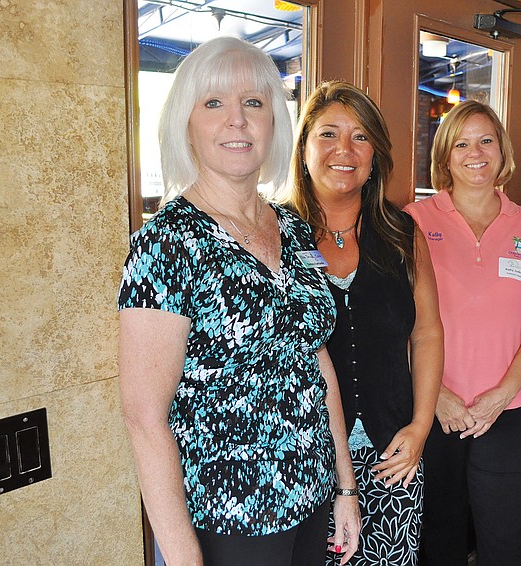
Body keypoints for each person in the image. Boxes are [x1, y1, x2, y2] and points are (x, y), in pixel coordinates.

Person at [117, 37, 360, 566]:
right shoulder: (166, 243)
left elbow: (316, 360)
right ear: (186, 123)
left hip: (313, 495)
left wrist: (345, 486)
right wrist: (183, 557)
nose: (237, 120)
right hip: (228, 518)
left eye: (253, 102)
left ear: (274, 121)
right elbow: (143, 417)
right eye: (213, 104)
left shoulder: (293, 227)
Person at [282, 80, 443, 565]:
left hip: (392, 452)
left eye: (360, 137)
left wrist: (420, 426)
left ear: (376, 155)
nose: (344, 151)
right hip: (303, 456)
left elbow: (428, 332)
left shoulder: (400, 233)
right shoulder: (276, 233)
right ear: (305, 146)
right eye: (329, 135)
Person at [405, 100, 521, 566]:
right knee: (439, 536)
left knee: (505, 540)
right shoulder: (411, 222)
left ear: (501, 150)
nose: (476, 152)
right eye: (463, 143)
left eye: (486, 140)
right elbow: (398, 325)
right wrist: (438, 397)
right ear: (446, 155)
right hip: (433, 408)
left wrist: (501, 395)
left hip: (506, 410)